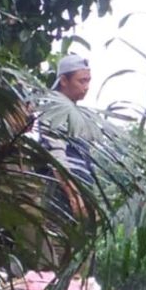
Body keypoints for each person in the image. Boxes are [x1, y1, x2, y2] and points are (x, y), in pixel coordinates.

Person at [38, 54, 96, 270]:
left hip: (79, 195)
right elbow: (57, 158)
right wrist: (74, 195)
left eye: (89, 81)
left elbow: (86, 163)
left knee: (77, 264)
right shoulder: (56, 109)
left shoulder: (77, 115)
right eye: (82, 81)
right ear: (64, 80)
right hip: (60, 195)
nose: (87, 87)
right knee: (54, 255)